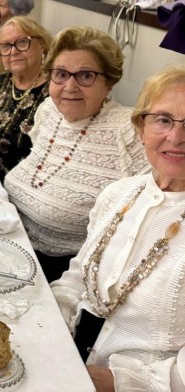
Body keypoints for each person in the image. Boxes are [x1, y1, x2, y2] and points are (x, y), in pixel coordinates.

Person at [51, 67, 185, 392]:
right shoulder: (118, 194)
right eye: (163, 120)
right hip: (69, 357)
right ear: (142, 129)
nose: (176, 137)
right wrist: (49, 321)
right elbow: (79, 275)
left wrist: (118, 381)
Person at [4, 26, 151, 282]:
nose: (69, 86)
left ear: (108, 83)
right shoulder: (49, 110)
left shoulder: (130, 133)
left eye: (85, 76)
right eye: (60, 74)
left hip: (64, 274)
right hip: (11, 240)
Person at [0, 16, 52, 180]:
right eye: (5, 46)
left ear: (41, 44)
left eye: (22, 42)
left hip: (14, 186)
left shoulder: (54, 91)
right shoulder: (4, 79)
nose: (14, 50)